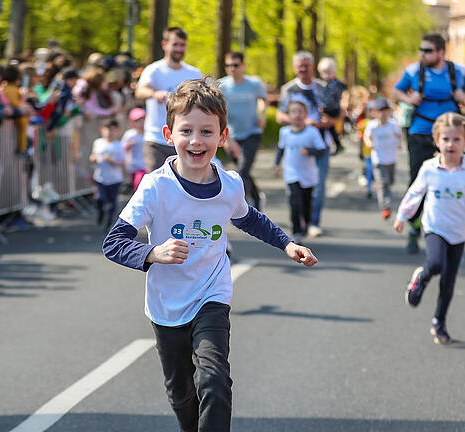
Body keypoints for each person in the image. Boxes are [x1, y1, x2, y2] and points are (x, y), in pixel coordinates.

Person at [102, 78, 317, 431]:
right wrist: (153, 252)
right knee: (180, 393)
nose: (196, 141)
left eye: (207, 132)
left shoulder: (230, 183)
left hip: (211, 294)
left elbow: (251, 219)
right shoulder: (156, 187)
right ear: (169, 135)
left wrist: (287, 244)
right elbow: (114, 243)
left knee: (214, 381)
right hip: (166, 303)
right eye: (187, 131)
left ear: (222, 136)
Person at [393, 113, 465, 345]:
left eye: (456, 139)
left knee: (448, 282)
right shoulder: (429, 168)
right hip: (435, 227)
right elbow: (414, 193)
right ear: (437, 140)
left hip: (458, 232)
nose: (451, 144)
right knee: (437, 264)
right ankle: (422, 277)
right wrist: (402, 216)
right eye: (446, 139)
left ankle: (439, 322)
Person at [393, 33, 465, 254]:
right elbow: (397, 91)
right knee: (418, 181)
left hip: (450, 136)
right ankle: (414, 226)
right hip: (421, 131)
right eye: (421, 49)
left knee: (453, 179)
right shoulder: (413, 71)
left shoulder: (457, 72)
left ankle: (444, 228)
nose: (422, 54)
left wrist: (463, 96)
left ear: (440, 52)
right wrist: (409, 99)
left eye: (427, 50)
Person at [277, 51, 330, 238]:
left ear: (312, 67)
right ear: (294, 67)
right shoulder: (288, 89)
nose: (302, 69)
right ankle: (299, 225)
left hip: (319, 142)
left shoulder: (323, 88)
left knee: (318, 186)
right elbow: (280, 115)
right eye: (299, 65)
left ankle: (313, 222)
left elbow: (337, 114)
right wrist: (298, 121)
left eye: (306, 65)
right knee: (296, 189)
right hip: (295, 141)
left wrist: (321, 123)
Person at [134, 27, 202, 172]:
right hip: (156, 139)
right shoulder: (154, 70)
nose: (179, 49)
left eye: (182, 45)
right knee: (157, 182)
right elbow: (140, 91)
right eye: (175, 44)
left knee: (184, 183)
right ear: (165, 45)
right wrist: (155, 94)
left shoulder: (193, 73)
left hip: (185, 139)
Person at [219, 51, 267, 210]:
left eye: (235, 65)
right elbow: (218, 113)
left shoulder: (254, 83)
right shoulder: (222, 86)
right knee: (243, 171)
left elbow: (263, 100)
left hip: (252, 133)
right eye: (228, 66)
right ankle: (257, 197)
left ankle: (243, 208)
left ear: (243, 66)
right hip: (232, 135)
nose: (232, 68)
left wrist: (263, 115)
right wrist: (226, 139)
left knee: (242, 170)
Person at [273, 101, 326, 244]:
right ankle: (296, 231)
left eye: (300, 112)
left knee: (306, 203)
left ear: (305, 115)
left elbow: (322, 150)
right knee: (295, 202)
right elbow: (281, 148)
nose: (297, 115)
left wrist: (309, 151)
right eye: (294, 112)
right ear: (289, 115)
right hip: (291, 173)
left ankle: (307, 222)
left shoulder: (312, 132)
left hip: (308, 174)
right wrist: (277, 164)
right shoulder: (284, 132)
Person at [363, 99, 402, 219]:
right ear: (375, 112)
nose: (383, 114)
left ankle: (385, 195)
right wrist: (369, 143)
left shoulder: (393, 124)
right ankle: (385, 207)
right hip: (378, 159)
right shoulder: (372, 125)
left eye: (385, 111)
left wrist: (399, 143)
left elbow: (399, 135)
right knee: (383, 183)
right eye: (381, 111)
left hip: (391, 158)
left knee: (390, 182)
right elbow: (366, 136)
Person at [90, 118, 125, 229]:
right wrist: (93, 159)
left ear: (117, 131)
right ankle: (100, 213)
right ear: (102, 130)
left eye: (113, 130)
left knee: (112, 202)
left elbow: (122, 163)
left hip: (114, 179)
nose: (110, 132)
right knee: (99, 199)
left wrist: (112, 161)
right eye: (108, 129)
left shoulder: (118, 145)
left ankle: (110, 221)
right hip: (100, 177)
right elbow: (93, 156)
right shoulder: (98, 142)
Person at [317, 57, 348, 156]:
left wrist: (344, 105)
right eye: (323, 72)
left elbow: (345, 93)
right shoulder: (321, 84)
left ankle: (337, 144)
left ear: (334, 71)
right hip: (324, 109)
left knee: (330, 126)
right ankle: (324, 144)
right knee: (324, 127)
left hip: (334, 109)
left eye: (328, 72)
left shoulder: (337, 84)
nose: (326, 75)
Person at [0, 65, 29, 153]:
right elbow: (14, 102)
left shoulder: (10, 87)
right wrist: (23, 103)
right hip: (13, 115)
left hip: (12, 114)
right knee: (23, 125)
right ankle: (22, 148)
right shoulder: (10, 88)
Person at [122, 107, 146, 191]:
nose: (141, 123)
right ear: (132, 122)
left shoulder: (149, 134)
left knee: (139, 186)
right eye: (138, 120)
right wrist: (128, 145)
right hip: (132, 166)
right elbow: (122, 149)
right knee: (135, 187)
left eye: (143, 119)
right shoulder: (129, 134)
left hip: (144, 166)